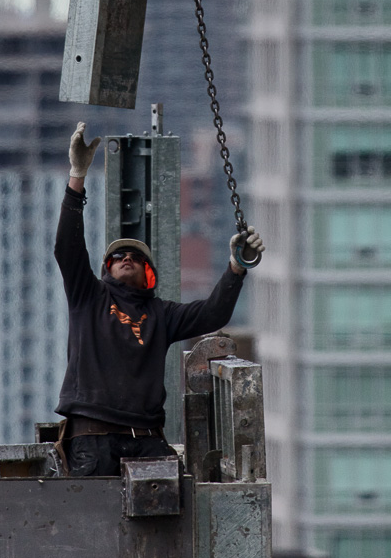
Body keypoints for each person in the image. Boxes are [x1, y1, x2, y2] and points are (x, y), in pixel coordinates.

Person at [54, 122, 265, 477]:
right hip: (93, 439)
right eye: (119, 256)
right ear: (107, 268)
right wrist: (77, 177)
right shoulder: (88, 296)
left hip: (147, 440)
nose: (127, 258)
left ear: (148, 273)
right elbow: (67, 248)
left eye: (135, 258)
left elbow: (213, 313)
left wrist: (236, 267)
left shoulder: (160, 314)